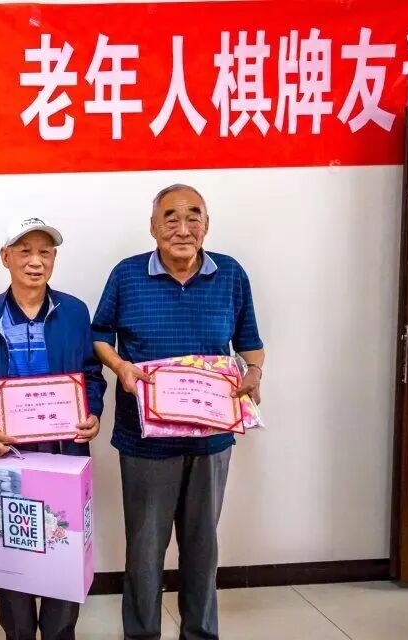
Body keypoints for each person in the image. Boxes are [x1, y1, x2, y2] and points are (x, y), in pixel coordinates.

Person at [90, 184, 265, 640]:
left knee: (203, 547)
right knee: (145, 550)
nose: (182, 228)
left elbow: (250, 345)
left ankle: (200, 633)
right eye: (170, 218)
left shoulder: (230, 274)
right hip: (145, 440)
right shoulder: (127, 275)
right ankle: (141, 634)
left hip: (212, 440)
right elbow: (100, 335)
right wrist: (120, 366)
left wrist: (254, 373)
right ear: (153, 227)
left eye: (194, 217)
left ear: (207, 225)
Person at [0, 216, 106, 640]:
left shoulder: (74, 313)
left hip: (64, 454)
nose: (35, 261)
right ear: (5, 257)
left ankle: (60, 634)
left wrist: (92, 411)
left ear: (54, 258)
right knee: (13, 557)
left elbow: (92, 374)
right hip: (9, 458)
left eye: (45, 252)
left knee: (63, 552)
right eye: (25, 251)